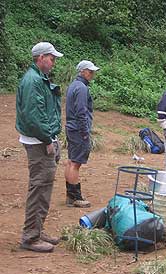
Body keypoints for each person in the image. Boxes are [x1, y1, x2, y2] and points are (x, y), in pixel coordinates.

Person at [16, 42, 63, 252]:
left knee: (44, 188)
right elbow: (34, 117)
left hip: (42, 139)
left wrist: (51, 137)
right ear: (41, 57)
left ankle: (37, 229)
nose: (53, 63)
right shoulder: (33, 81)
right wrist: (48, 140)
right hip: (39, 142)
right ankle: (31, 237)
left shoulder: (38, 79)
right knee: (39, 188)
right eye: (52, 58)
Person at [64, 60, 100, 208]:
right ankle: (75, 197)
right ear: (82, 71)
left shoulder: (74, 85)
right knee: (75, 163)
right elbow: (81, 112)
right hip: (78, 130)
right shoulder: (81, 88)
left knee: (71, 161)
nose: (92, 74)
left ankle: (70, 195)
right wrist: (85, 133)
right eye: (90, 71)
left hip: (72, 128)